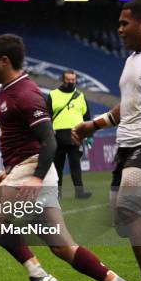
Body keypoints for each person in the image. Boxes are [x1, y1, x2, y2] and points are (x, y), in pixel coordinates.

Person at [0, 33, 140, 281]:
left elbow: (48, 141)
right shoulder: (9, 90)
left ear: (4, 61)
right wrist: (7, 172)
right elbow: (22, 140)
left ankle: (38, 275)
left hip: (34, 167)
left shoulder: (25, 93)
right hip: (25, 167)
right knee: (62, 247)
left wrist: (34, 176)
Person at [73, 0, 141, 281]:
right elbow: (129, 106)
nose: (118, 30)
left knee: (129, 210)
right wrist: (96, 124)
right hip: (127, 145)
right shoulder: (132, 60)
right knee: (123, 223)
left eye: (124, 23)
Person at [46, 70, 92, 199]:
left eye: (73, 80)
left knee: (75, 166)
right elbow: (47, 116)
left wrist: (90, 136)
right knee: (57, 167)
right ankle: (57, 193)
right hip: (57, 137)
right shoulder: (53, 95)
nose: (71, 82)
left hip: (75, 136)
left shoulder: (80, 95)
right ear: (63, 79)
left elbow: (87, 117)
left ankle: (79, 192)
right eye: (69, 79)